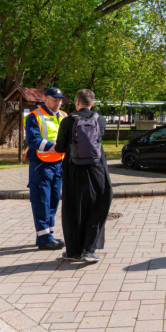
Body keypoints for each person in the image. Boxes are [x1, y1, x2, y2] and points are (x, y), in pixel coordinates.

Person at [54, 89, 113, 263]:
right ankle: (89, 250)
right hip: (97, 169)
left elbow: (60, 147)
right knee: (97, 205)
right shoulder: (100, 120)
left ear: (77, 102)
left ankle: (73, 251)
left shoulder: (67, 121)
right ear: (92, 103)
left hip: (73, 170)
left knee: (72, 208)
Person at [25, 88, 68, 250]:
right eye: (55, 99)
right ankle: (44, 239)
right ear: (46, 99)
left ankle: (48, 234)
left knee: (53, 200)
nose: (58, 103)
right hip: (41, 164)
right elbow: (32, 140)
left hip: (58, 163)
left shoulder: (63, 116)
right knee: (41, 200)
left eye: (60, 100)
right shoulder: (35, 116)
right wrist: (53, 146)